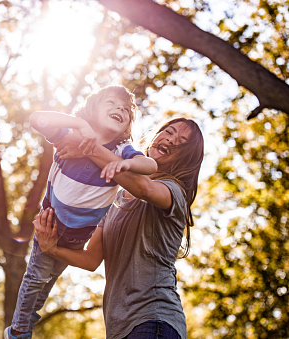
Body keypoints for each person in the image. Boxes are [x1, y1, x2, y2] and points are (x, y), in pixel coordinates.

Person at [4, 85, 158, 339]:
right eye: (111, 103)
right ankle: (19, 331)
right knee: (36, 277)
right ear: (92, 109)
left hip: (76, 238)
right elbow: (37, 119)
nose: (120, 109)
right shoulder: (68, 135)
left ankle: (28, 320)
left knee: (48, 280)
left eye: (126, 110)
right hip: (50, 223)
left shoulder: (120, 152)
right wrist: (79, 124)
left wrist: (125, 164)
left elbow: (149, 166)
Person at [34, 118, 204, 339]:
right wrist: (52, 249)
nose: (171, 140)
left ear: (185, 158)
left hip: (155, 321)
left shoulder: (174, 193)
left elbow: (144, 188)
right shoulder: (115, 199)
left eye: (181, 142)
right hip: (119, 328)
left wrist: (88, 149)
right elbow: (92, 259)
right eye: (169, 132)